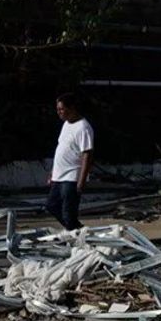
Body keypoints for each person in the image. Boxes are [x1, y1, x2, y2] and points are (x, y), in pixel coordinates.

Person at [46, 93, 94, 231]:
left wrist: (81, 180)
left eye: (62, 109)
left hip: (72, 177)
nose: (59, 112)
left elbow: (87, 154)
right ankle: (77, 230)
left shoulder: (83, 127)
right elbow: (62, 149)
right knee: (51, 206)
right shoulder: (66, 124)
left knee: (68, 213)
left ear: (71, 108)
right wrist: (52, 173)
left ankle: (77, 234)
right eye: (58, 109)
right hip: (59, 176)